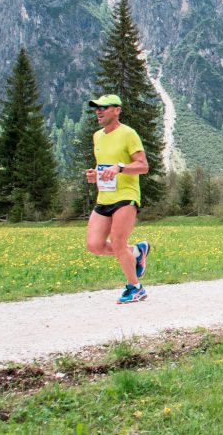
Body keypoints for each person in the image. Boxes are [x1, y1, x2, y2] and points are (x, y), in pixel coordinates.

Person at [83, 95, 151, 304]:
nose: (99, 112)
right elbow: (103, 164)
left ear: (117, 110)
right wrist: (95, 175)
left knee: (117, 242)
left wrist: (120, 167)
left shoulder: (128, 134)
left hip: (126, 196)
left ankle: (135, 287)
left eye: (104, 108)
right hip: (104, 196)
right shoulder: (97, 136)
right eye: (96, 108)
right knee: (94, 245)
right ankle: (136, 252)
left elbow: (143, 166)